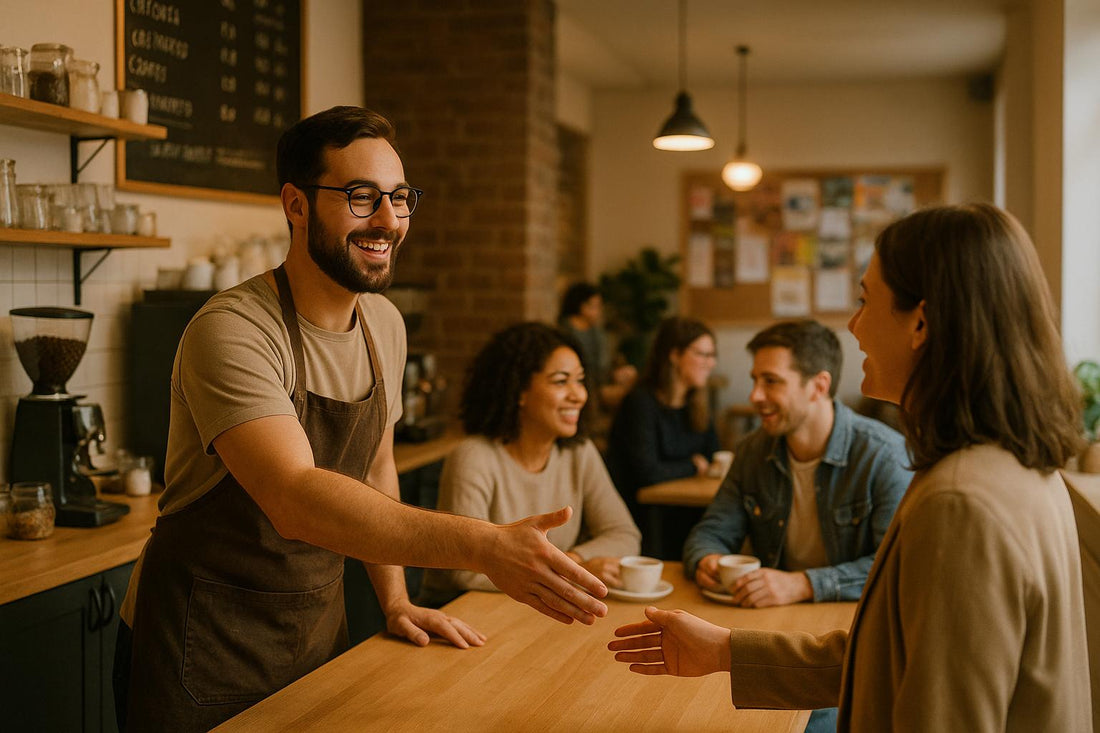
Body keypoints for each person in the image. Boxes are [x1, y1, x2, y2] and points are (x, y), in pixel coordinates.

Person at [115, 106, 608, 733]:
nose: (388, 221)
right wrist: (482, 544)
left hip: (316, 634)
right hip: (199, 644)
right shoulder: (233, 330)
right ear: (296, 205)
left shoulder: (384, 326)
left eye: (400, 198)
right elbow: (294, 497)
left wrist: (396, 600)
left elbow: (376, 465)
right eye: (360, 197)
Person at [608, 203, 1092, 731]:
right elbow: (889, 657)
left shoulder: (961, 503)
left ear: (921, 323)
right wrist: (727, 650)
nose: (854, 327)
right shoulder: (1012, 468)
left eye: (865, 301)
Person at [681, 319, 912, 732]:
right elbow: (711, 529)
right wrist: (707, 558)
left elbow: (894, 569)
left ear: (818, 386)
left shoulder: (883, 456)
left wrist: (804, 583)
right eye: (755, 380)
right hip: (774, 629)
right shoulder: (754, 450)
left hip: (844, 643)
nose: (755, 396)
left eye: (771, 382)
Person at [419, 322, 641, 605]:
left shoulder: (579, 452)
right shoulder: (474, 457)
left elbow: (624, 534)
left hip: (534, 611)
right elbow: (464, 571)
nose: (579, 395)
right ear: (519, 391)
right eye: (561, 382)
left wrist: (572, 562)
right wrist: (571, 572)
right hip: (461, 617)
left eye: (580, 380)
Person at [604, 316, 722, 525]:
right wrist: (694, 465)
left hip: (687, 511)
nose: (710, 363)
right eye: (703, 355)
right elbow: (647, 473)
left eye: (712, 355)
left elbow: (713, 456)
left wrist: (700, 465)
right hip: (644, 518)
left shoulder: (696, 404)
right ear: (675, 355)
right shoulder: (640, 403)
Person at [557, 281, 636, 412]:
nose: (599, 311)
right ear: (582, 307)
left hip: (602, 382)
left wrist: (617, 372)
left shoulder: (596, 332)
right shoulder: (566, 332)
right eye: (596, 306)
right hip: (588, 385)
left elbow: (604, 364)